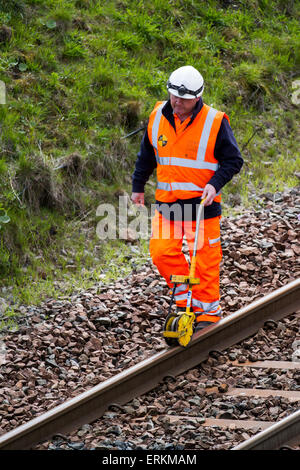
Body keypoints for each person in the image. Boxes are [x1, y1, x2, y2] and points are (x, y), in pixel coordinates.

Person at [131, 65, 243, 331]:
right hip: (168, 205)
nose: (176, 102)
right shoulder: (157, 115)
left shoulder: (216, 122)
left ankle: (207, 316)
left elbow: (233, 160)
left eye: (182, 99)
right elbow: (147, 154)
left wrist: (215, 185)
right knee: (161, 253)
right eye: (173, 96)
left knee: (205, 261)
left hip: (202, 208)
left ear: (197, 97)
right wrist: (138, 186)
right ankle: (185, 301)